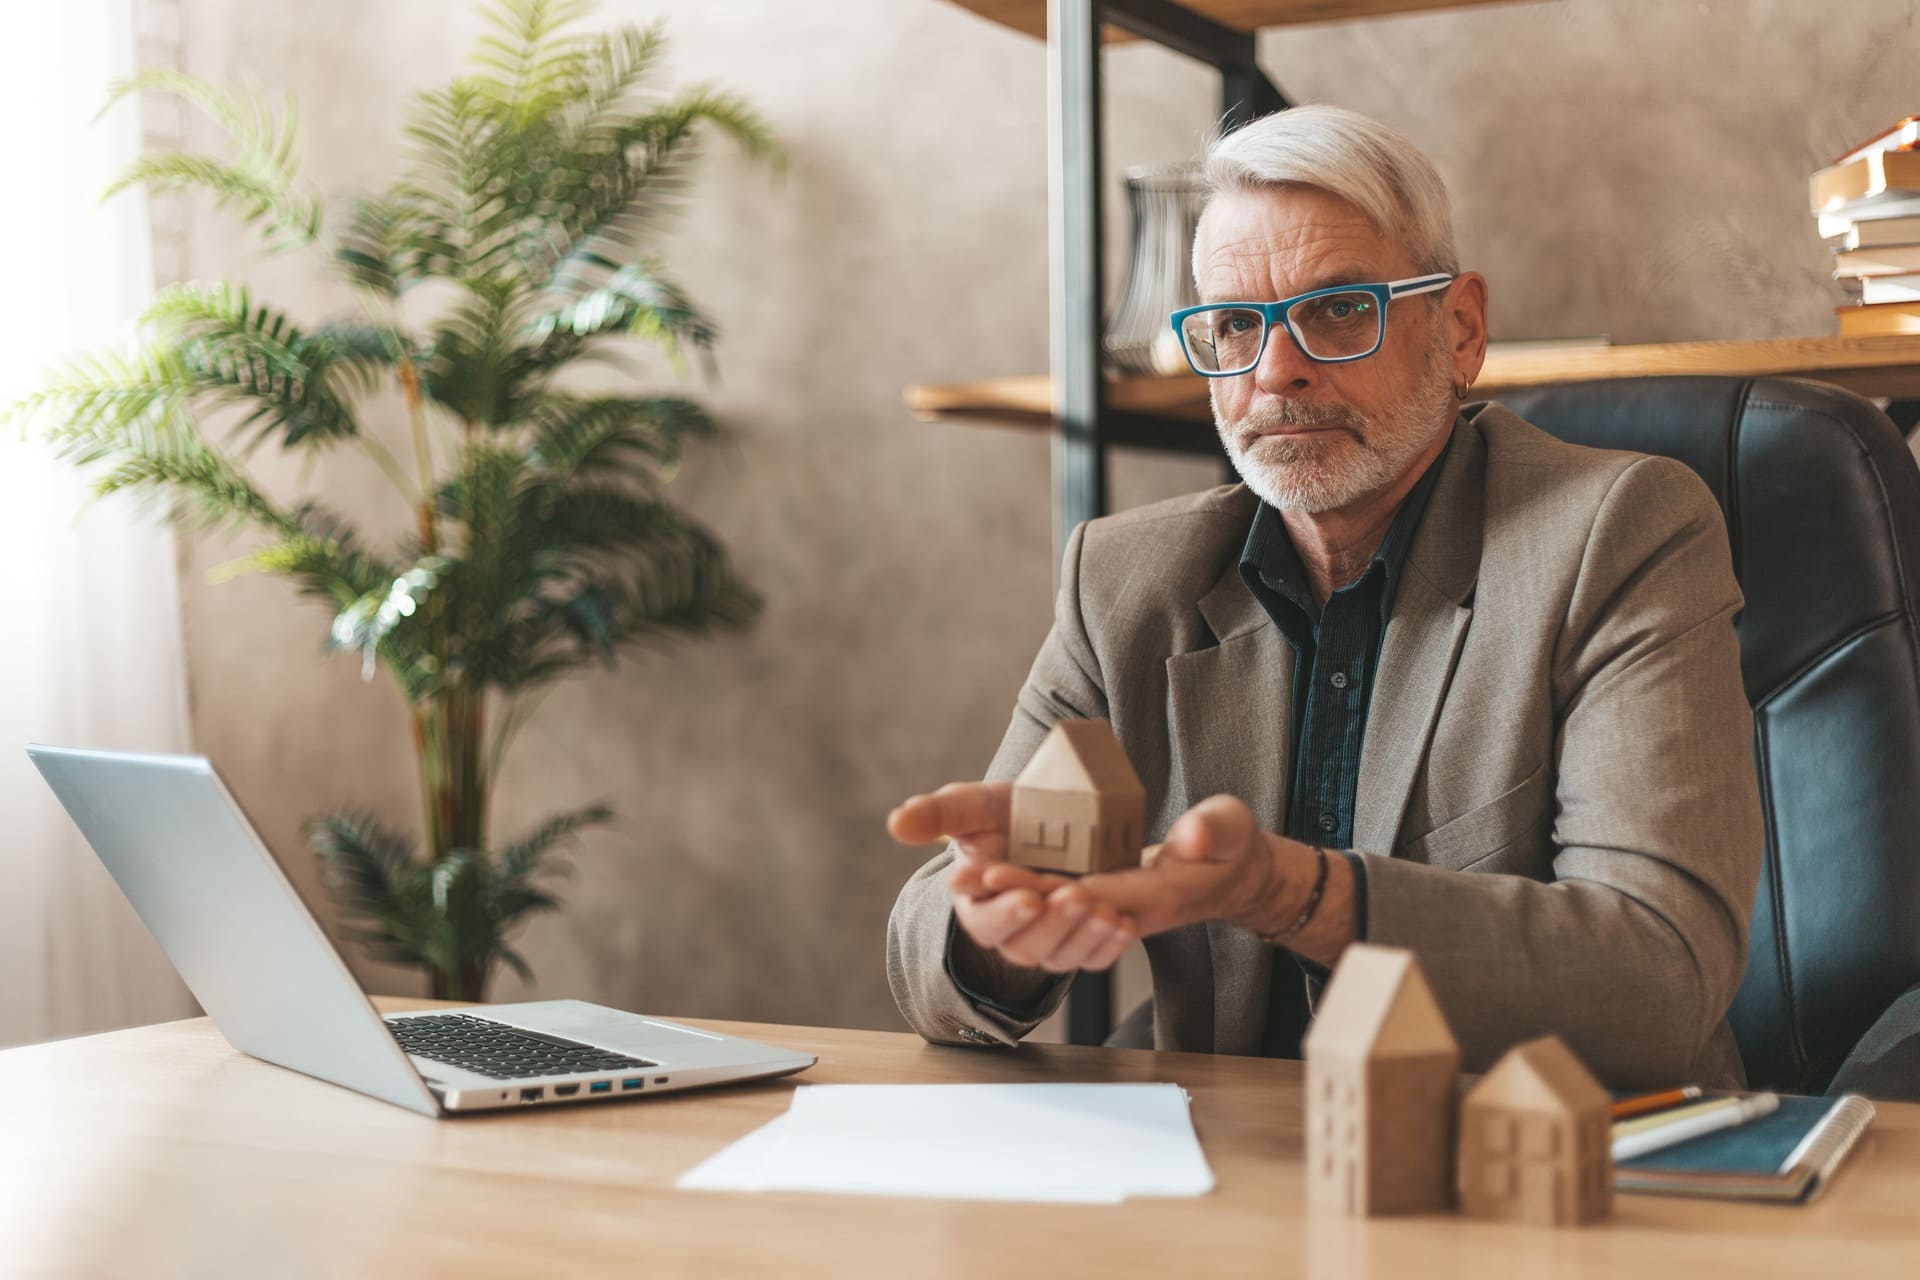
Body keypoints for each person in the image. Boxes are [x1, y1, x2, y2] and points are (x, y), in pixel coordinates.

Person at [884, 105, 1762, 1089]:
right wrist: (998, 924)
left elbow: (1659, 979)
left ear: (1460, 327)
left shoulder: (1619, 533)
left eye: (1340, 308)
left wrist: (1296, 893)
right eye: (1232, 324)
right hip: (1232, 1170)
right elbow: (927, 959)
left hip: (1542, 1171)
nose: (1276, 371)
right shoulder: (1125, 580)